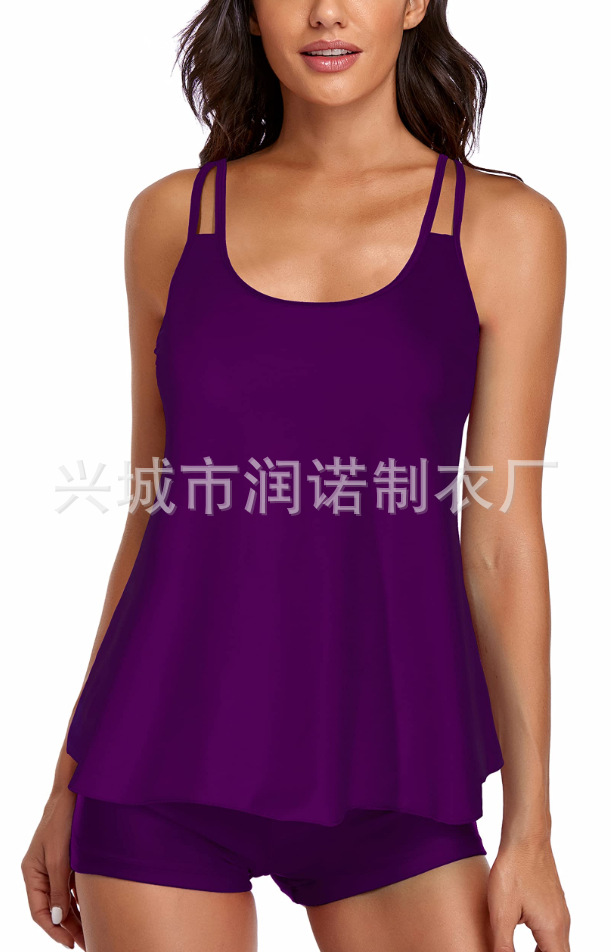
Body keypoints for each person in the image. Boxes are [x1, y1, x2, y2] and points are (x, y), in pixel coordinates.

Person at [21, 1, 571, 950]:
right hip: (156, 760)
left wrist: (530, 827)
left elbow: (500, 542)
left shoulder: (503, 228)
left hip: (394, 763)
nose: (324, 12)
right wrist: (69, 777)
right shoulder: (171, 218)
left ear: (414, 4)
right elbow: (155, 516)